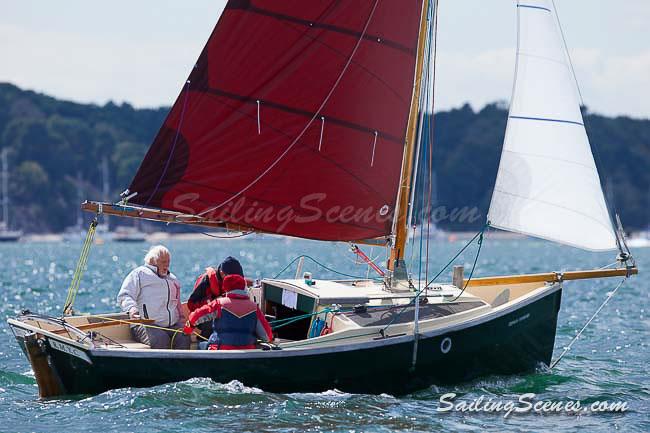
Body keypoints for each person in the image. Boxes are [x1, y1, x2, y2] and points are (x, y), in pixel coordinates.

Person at [117, 245, 190, 350]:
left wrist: (181, 321)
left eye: (168, 261)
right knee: (161, 339)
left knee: (184, 336)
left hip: (171, 325)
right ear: (153, 261)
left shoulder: (172, 279)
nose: (167, 265)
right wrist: (132, 309)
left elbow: (177, 303)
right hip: (145, 325)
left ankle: (181, 366)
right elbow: (124, 295)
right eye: (163, 262)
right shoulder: (139, 274)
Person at [183, 274, 272, 350]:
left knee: (200, 345)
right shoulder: (254, 307)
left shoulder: (219, 303)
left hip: (221, 349)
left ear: (226, 288)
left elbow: (196, 316)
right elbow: (267, 336)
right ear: (243, 288)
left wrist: (189, 325)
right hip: (247, 350)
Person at [187, 256, 248, 339]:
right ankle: (204, 343)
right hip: (205, 317)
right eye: (233, 277)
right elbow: (191, 305)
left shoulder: (236, 283)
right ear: (222, 273)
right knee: (212, 322)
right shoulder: (205, 281)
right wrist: (212, 301)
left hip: (226, 315)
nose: (236, 280)